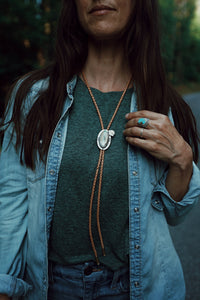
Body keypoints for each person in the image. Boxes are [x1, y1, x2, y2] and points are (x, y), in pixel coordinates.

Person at [0, 0, 200, 299]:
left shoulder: (164, 107)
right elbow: (10, 202)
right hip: (49, 287)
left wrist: (183, 162)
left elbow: (173, 212)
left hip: (135, 286)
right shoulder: (32, 98)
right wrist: (4, 286)